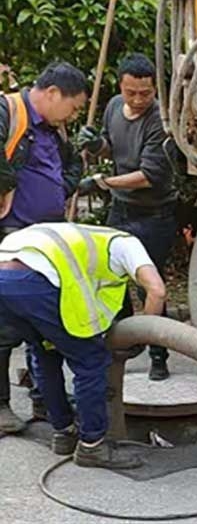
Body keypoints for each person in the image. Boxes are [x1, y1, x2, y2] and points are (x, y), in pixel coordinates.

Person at [0, 222, 166, 469]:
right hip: (34, 283)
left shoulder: (82, 237)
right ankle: (92, 446)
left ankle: (63, 433)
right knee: (90, 361)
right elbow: (157, 291)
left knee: (44, 351)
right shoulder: (129, 245)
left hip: (6, 276)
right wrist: (142, 336)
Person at [77, 53, 177, 381]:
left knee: (150, 282)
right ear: (121, 85)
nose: (137, 99)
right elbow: (111, 147)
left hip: (154, 214)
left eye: (145, 93)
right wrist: (96, 146)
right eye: (131, 92)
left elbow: (148, 175)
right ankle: (125, 345)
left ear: (153, 89)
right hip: (120, 211)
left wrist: (102, 182)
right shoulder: (113, 106)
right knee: (114, 280)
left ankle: (159, 354)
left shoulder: (161, 121)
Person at [0, 62, 87, 434]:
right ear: (52, 94)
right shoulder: (8, 112)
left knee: (45, 318)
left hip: (48, 238)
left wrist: (63, 187)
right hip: (11, 236)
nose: (75, 114)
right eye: (74, 106)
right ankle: (1, 406)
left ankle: (44, 398)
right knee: (3, 326)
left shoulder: (55, 129)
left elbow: (68, 171)